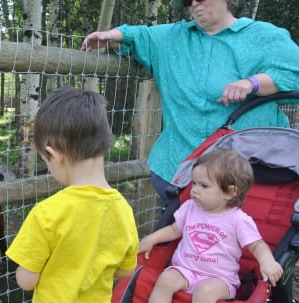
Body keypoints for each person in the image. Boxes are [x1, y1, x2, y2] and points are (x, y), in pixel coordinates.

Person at [81, 0, 299, 210]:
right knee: (184, 240)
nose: (194, 4)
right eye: (187, 0)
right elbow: (137, 35)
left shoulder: (265, 36)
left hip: (247, 175)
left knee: (243, 240)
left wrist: (253, 83)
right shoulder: (172, 37)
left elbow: (294, 74)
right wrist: (108, 36)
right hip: (178, 171)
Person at [5, 87, 139, 303]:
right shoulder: (122, 208)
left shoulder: (48, 213)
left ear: (54, 154)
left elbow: (25, 280)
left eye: (45, 161)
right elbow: (124, 271)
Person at [122, 149, 283, 303]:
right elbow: (174, 229)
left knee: (205, 292)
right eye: (194, 183)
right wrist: (151, 239)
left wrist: (267, 260)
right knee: (167, 278)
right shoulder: (190, 207)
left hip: (220, 279)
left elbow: (257, 245)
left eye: (204, 186)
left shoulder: (237, 220)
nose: (195, 191)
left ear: (230, 192)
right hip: (186, 269)